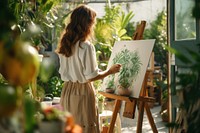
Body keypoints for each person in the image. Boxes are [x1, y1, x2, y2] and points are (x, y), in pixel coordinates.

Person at [55, 5, 121, 133]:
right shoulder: (85, 46)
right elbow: (91, 76)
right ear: (87, 24)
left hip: (67, 91)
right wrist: (110, 71)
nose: (93, 26)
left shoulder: (65, 44)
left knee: (69, 127)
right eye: (93, 23)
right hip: (83, 92)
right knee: (84, 127)